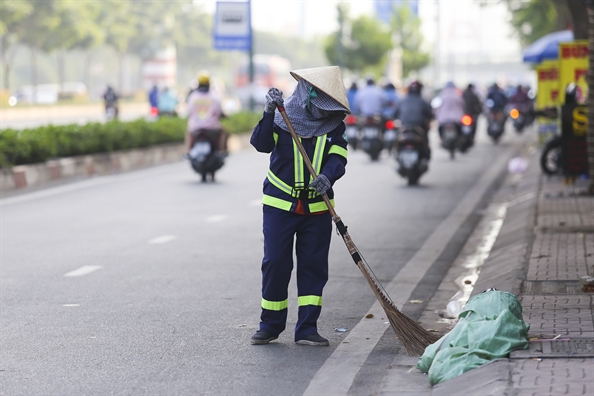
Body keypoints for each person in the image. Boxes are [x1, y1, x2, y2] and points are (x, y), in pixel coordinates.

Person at [250, 66, 350, 346]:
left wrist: (327, 177)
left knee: (313, 266)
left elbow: (338, 157)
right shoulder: (283, 117)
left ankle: (307, 328)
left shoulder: (334, 124)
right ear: (307, 94)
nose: (324, 112)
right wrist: (269, 111)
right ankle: (270, 325)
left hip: (317, 207)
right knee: (276, 263)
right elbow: (260, 144)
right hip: (280, 204)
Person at [185, 71, 227, 155]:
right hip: (211, 127)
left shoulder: (193, 97)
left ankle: (188, 152)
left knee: (188, 133)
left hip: (195, 127)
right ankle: (221, 151)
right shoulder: (214, 97)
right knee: (223, 131)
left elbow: (189, 112)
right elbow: (219, 112)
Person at [393, 80, 434, 161]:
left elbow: (395, 114)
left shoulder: (402, 100)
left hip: (406, 127)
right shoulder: (422, 102)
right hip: (416, 128)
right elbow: (430, 115)